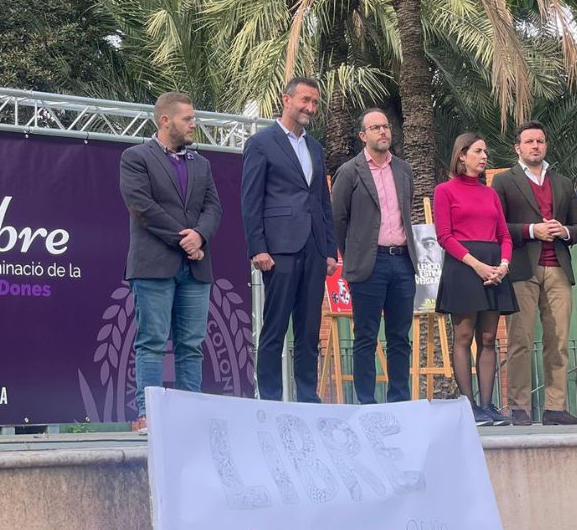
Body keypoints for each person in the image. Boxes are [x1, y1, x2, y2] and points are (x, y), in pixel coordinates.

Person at [119, 92, 223, 434]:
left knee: (191, 345)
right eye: (187, 119)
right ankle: (149, 415)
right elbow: (142, 206)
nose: (194, 124)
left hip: (195, 268)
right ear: (165, 120)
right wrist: (185, 239)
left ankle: (188, 415)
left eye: (193, 118)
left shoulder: (201, 164)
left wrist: (201, 236)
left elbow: (213, 208)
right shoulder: (136, 157)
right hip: (154, 266)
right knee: (152, 341)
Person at [241, 77, 337, 402]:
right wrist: (257, 247)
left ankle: (308, 399)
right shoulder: (261, 143)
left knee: (309, 330)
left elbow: (323, 201)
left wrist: (330, 250)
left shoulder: (316, 148)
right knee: (275, 327)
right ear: (287, 100)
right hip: (279, 249)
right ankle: (270, 401)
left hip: (314, 248)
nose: (311, 107)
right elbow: (250, 200)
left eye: (315, 102)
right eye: (305, 100)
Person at [492, 121, 577, 426]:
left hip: (558, 267)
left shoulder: (563, 182)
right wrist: (532, 230)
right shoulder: (504, 181)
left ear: (546, 145)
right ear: (517, 147)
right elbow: (497, 226)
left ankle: (555, 408)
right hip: (522, 268)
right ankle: (519, 408)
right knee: (520, 339)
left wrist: (565, 231)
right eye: (529, 141)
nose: (535, 146)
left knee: (558, 341)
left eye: (540, 141)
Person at [330, 109, 417, 404]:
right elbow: (338, 219)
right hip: (370, 264)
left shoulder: (403, 170)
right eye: (375, 127)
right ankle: (366, 402)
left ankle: (399, 400)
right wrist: (355, 253)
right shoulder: (350, 171)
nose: (383, 131)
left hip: (402, 261)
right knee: (366, 336)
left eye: (386, 126)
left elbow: (407, 210)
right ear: (362, 136)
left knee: (400, 337)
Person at [433, 133, 517, 426]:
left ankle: (487, 405)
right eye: (478, 151)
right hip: (464, 267)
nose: (484, 156)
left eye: (485, 152)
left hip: (494, 268)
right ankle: (468, 406)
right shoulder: (444, 191)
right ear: (462, 155)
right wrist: (477, 265)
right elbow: (444, 236)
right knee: (464, 336)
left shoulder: (490, 194)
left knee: (489, 338)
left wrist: (503, 265)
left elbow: (504, 235)